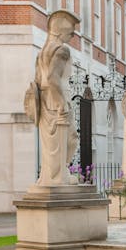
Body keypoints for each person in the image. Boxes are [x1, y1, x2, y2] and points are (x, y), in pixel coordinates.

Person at [34, 10, 80, 186]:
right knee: (70, 139)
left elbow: (37, 80)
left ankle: (50, 176)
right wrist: (62, 103)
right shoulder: (62, 49)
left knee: (51, 141)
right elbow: (54, 78)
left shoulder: (43, 51)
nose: (72, 36)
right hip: (59, 97)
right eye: (70, 32)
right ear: (61, 32)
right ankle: (61, 174)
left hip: (46, 99)